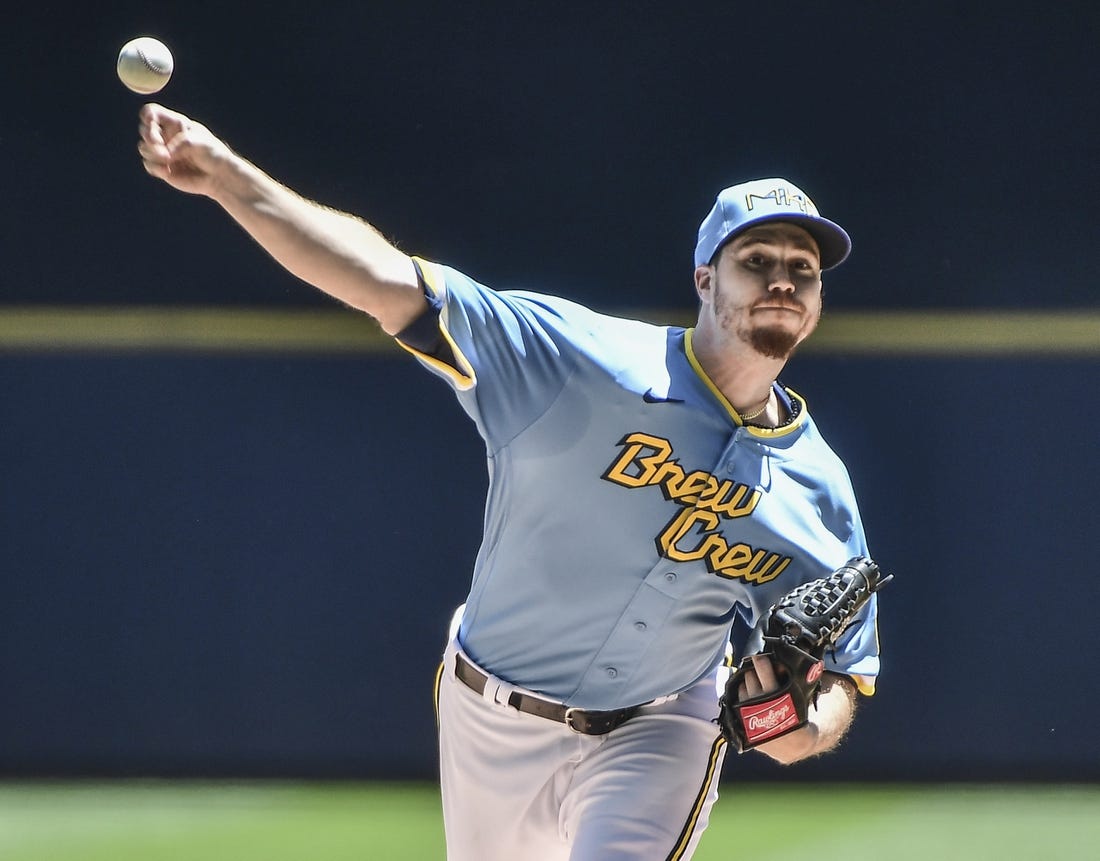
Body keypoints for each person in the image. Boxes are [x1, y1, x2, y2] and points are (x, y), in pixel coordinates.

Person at [136, 103, 883, 861]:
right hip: (490, 714)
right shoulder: (578, 361)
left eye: (803, 271)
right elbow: (384, 282)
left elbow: (841, 680)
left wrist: (798, 726)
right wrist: (230, 180)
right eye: (757, 260)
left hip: (663, 725)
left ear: (818, 301)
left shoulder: (816, 486)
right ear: (703, 277)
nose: (782, 281)